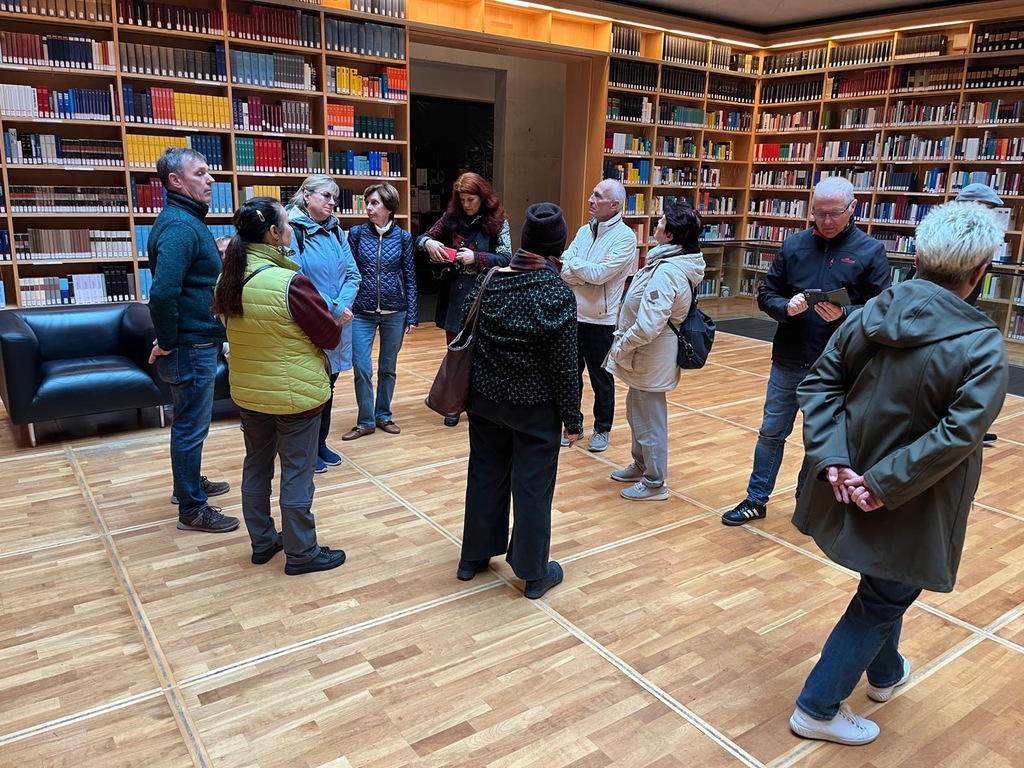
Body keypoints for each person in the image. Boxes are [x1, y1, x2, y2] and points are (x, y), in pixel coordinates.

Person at [788, 201, 1008, 746]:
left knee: (886, 581)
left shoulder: (865, 315)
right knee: (886, 594)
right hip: (915, 495)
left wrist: (835, 460)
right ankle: (818, 707)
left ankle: (885, 673)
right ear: (980, 273)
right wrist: (882, 484)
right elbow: (960, 433)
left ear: (918, 258)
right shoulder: (981, 342)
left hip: (851, 479)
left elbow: (820, 385)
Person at [722, 176, 891, 527]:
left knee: (820, 441)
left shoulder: (870, 251)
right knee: (771, 432)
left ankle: (806, 502)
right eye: (819, 213)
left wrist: (846, 313)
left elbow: (882, 309)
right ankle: (756, 499)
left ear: (852, 208)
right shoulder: (794, 245)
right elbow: (766, 294)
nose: (826, 221)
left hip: (838, 364)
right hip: (789, 356)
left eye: (834, 213)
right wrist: (786, 307)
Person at [211, 197, 347, 575]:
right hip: (296, 396)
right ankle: (302, 553)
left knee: (256, 466)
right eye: (287, 224)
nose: (291, 229)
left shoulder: (227, 280)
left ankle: (262, 542)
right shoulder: (290, 283)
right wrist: (338, 319)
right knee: (297, 472)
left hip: (249, 392)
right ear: (274, 233)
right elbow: (329, 337)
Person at [457, 203, 582, 600]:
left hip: (485, 399)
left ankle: (473, 557)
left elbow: (465, 327)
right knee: (532, 489)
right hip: (534, 408)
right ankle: (533, 574)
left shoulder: (491, 279)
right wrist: (573, 419)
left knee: (484, 475)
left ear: (525, 240)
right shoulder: (556, 293)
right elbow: (565, 366)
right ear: (558, 247)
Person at [148, 146, 236, 533]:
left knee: (189, 424)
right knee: (190, 427)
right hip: (190, 346)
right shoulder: (182, 227)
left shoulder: (185, 221)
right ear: (175, 181)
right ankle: (192, 509)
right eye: (200, 173)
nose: (210, 179)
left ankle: (187, 484)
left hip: (193, 342)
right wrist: (168, 341)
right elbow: (162, 293)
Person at [604, 201, 706, 501]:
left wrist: (622, 344)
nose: (656, 225)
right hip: (645, 354)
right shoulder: (666, 262)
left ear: (671, 235)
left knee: (649, 420)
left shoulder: (668, 272)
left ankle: (654, 482)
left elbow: (649, 325)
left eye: (661, 222)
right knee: (637, 413)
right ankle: (641, 465)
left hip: (651, 354)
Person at [416, 172, 512, 427]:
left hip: (485, 296)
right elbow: (422, 238)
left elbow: (506, 258)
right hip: (456, 295)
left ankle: (481, 404)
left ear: (483, 197)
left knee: (484, 354)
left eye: (471, 199)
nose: (467, 205)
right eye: (462, 199)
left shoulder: (498, 221)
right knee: (456, 352)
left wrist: (476, 258)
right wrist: (429, 244)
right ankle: (454, 404)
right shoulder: (451, 217)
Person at [286, 174, 361, 473]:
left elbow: (353, 274)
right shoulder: (292, 230)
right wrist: (335, 307)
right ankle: (305, 448)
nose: (332, 203)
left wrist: (341, 306)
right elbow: (297, 279)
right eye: (326, 196)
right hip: (311, 320)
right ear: (306, 195)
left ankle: (320, 442)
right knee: (311, 387)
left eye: (334, 198)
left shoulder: (337, 231)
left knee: (329, 384)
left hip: (339, 321)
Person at [560, 178, 638, 453]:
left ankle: (602, 429)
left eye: (598, 196)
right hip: (573, 315)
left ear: (614, 205)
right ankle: (574, 425)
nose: (590, 199)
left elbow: (600, 274)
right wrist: (582, 270)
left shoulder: (626, 238)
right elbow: (563, 267)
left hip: (600, 319)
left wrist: (577, 268)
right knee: (570, 376)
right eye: (592, 193)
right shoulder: (584, 231)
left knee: (601, 379)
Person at [342, 183, 417, 440]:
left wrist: (412, 314)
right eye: (367, 203)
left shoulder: (404, 238)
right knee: (361, 367)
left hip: (395, 311)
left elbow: (410, 277)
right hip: (361, 312)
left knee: (388, 367)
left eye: (374, 203)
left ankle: (383, 415)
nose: (368, 208)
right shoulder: (357, 234)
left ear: (389, 207)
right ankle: (365, 421)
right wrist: (346, 305)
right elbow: (349, 273)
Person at [957, 183, 1006, 446]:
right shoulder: (953, 235)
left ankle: (971, 425)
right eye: (986, 207)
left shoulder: (981, 237)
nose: (990, 213)